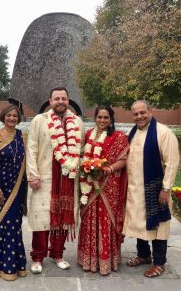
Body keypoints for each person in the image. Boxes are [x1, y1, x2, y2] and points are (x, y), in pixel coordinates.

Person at [26, 87, 84, 274]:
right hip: (44, 178)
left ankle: (58, 254)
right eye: (57, 98)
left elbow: (81, 149)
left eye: (64, 98)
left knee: (64, 217)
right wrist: (33, 175)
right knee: (41, 219)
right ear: (50, 101)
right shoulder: (39, 120)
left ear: (68, 101)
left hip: (69, 179)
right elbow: (32, 148)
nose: (60, 101)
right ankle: (37, 256)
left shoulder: (77, 122)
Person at [123, 100, 180, 278]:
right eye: (136, 114)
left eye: (142, 112)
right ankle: (143, 255)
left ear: (150, 111)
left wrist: (166, 188)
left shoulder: (163, 133)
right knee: (141, 224)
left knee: (158, 226)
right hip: (135, 190)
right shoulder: (131, 133)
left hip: (155, 190)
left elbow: (172, 162)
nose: (139, 116)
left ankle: (159, 262)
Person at [77, 105, 129, 275]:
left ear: (111, 119)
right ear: (95, 118)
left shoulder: (119, 137)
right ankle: (88, 259)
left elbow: (123, 159)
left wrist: (108, 169)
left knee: (106, 220)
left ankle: (107, 260)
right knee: (90, 219)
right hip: (90, 186)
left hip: (109, 186)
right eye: (100, 117)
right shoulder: (88, 134)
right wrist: (87, 169)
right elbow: (83, 158)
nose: (103, 120)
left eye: (106, 117)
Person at [0, 104, 27, 281]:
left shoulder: (22, 135)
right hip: (0, 187)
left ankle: (10, 263)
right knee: (4, 225)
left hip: (17, 187)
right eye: (9, 115)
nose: (12, 119)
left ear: (18, 118)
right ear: (3, 116)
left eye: (15, 116)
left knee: (14, 226)